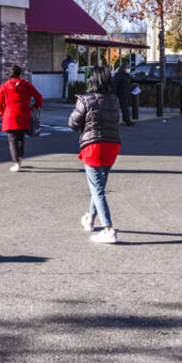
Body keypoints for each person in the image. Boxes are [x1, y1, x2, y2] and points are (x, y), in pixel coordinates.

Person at [68, 65, 123, 245]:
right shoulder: (114, 100)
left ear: (91, 80)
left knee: (98, 189)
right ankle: (90, 219)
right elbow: (117, 120)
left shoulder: (84, 100)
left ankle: (108, 229)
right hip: (112, 145)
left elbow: (73, 123)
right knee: (98, 186)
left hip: (93, 146)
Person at [0, 64, 43, 172]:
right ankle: (20, 159)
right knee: (21, 138)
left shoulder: (4, 86)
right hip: (24, 114)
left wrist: (1, 113)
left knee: (13, 140)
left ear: (10, 74)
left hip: (10, 115)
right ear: (20, 74)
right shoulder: (27, 85)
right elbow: (39, 97)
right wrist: (34, 107)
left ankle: (16, 163)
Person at [112, 59, 135, 126]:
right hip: (121, 94)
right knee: (124, 108)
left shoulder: (127, 76)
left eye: (129, 68)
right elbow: (114, 84)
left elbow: (128, 84)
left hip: (126, 94)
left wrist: (132, 87)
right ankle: (126, 120)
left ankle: (127, 120)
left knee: (126, 108)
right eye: (127, 67)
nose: (128, 69)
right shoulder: (119, 75)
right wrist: (114, 94)